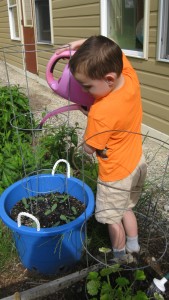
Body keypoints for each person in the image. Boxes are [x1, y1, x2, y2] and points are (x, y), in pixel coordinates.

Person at [56, 36, 147, 262]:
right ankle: (134, 245)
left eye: (87, 87)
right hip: (137, 161)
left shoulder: (101, 111)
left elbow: (89, 148)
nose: (86, 92)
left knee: (111, 218)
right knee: (126, 208)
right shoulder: (128, 77)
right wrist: (84, 43)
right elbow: (114, 46)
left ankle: (118, 257)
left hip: (115, 175)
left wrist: (89, 117)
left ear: (108, 79)